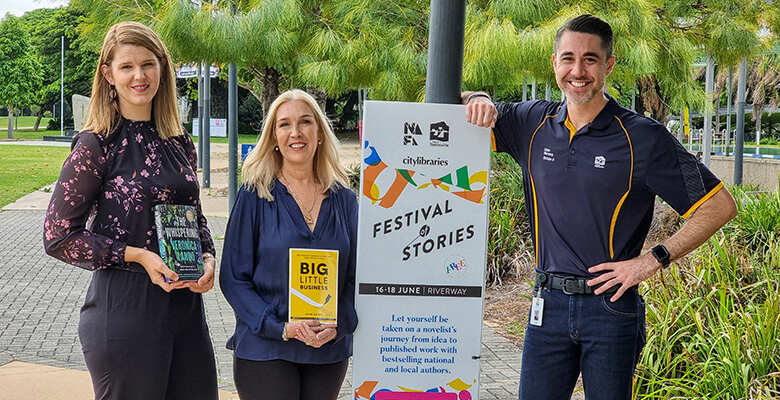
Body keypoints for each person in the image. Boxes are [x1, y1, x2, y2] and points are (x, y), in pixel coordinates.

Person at [464, 14, 737, 400]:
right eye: (568, 58)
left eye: (590, 59)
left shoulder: (644, 138)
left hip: (610, 310)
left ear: (608, 65)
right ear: (555, 63)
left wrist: (651, 259)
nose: (578, 71)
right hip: (547, 307)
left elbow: (720, 206)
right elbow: (460, 110)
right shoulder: (531, 123)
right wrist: (476, 99)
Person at [43, 21, 218, 400]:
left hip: (185, 308)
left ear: (162, 69)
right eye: (127, 67)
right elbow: (58, 236)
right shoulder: (97, 144)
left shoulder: (179, 141)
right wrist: (138, 256)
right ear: (108, 74)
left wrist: (207, 258)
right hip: (124, 307)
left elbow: (195, 216)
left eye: (148, 64)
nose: (139, 76)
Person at [219, 89, 358, 400]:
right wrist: (280, 327)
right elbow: (233, 278)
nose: (295, 132)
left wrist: (339, 326)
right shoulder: (255, 196)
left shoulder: (346, 201)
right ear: (273, 138)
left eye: (305, 122)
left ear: (320, 133)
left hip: (328, 350)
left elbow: (355, 278)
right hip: (266, 347)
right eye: (284, 125)